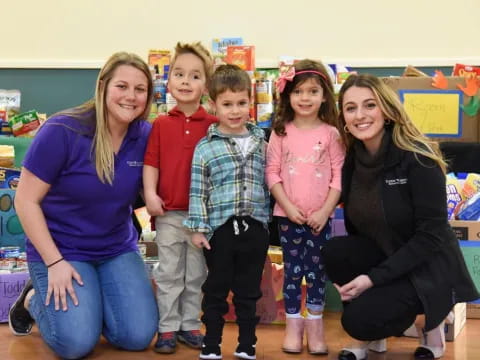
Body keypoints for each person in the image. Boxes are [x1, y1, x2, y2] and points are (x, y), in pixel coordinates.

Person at [8, 52, 159, 359]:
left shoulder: (145, 135)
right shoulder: (63, 130)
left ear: (149, 96)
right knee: (75, 343)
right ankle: (32, 300)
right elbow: (25, 200)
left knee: (138, 335)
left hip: (116, 248)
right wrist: (53, 262)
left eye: (140, 89)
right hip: (61, 251)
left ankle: (92, 302)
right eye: (122, 86)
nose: (130, 96)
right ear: (102, 86)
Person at [321, 73, 479, 360]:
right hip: (389, 257)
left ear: (387, 110)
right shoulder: (352, 160)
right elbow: (360, 231)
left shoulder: (418, 157)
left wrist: (371, 280)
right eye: (351, 107)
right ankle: (372, 337)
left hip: (428, 267)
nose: (360, 115)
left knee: (357, 320)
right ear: (343, 116)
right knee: (337, 251)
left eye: (370, 105)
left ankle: (432, 323)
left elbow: (431, 236)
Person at [184, 64, 270, 360]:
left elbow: (268, 184)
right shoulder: (205, 148)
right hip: (219, 231)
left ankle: (247, 343)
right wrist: (197, 227)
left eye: (242, 103)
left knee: (249, 291)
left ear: (250, 103)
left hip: (255, 228)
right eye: (227, 104)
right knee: (216, 290)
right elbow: (198, 190)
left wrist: (268, 223)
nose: (235, 111)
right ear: (213, 105)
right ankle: (212, 344)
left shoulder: (262, 142)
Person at [265, 59, 345, 355]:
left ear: (324, 95)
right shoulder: (280, 133)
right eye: (298, 92)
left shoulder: (331, 134)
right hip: (288, 219)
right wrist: (286, 206)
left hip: (320, 220)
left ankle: (315, 329)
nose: (305, 98)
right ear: (288, 95)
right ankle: (293, 329)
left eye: (312, 91)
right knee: (292, 274)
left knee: (316, 274)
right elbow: (272, 173)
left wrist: (325, 211)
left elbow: (338, 175)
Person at [143, 42, 217, 354]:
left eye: (195, 76)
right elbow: (152, 163)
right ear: (168, 81)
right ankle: (167, 328)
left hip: (202, 218)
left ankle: (190, 325)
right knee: (169, 273)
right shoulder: (160, 123)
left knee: (197, 274)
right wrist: (149, 194)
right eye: (179, 74)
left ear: (207, 85)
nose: (186, 81)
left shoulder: (214, 126)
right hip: (169, 214)